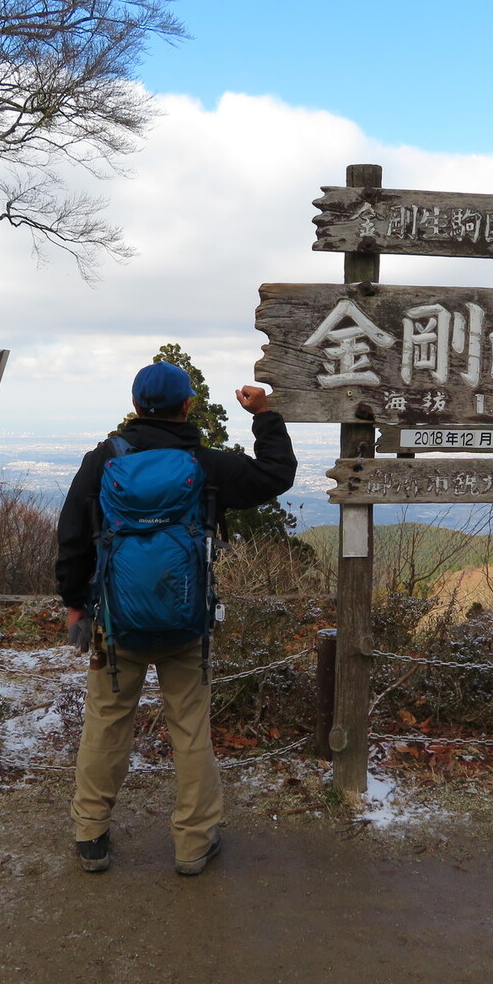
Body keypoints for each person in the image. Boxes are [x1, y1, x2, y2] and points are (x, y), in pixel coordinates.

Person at [55, 362, 297, 875]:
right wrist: (265, 416)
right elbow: (276, 475)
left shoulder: (104, 461)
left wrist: (76, 604)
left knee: (105, 724)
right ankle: (193, 844)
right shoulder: (204, 464)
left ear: (137, 406)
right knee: (190, 728)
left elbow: (73, 537)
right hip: (187, 622)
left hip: (114, 623)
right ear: (188, 405)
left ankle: (91, 835)